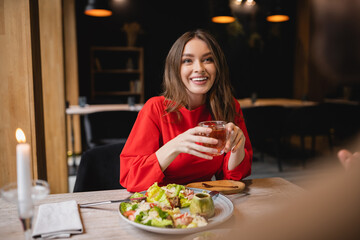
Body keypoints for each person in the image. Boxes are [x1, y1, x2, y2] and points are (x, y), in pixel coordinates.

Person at [120, 29, 253, 192]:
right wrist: (176, 145)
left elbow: (230, 178)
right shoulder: (155, 109)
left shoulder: (228, 105)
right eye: (188, 61)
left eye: (208, 59)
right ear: (175, 68)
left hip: (205, 202)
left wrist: (237, 148)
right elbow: (130, 178)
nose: (199, 68)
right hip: (162, 206)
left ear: (218, 66)